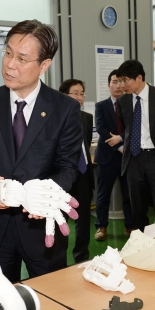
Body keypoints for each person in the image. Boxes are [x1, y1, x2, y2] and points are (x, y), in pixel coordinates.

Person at [0, 20, 82, 283]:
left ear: (44, 65)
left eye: (22, 58)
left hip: (43, 228)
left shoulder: (64, 109)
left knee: (53, 303)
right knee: (1, 307)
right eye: (7, 53)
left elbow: (68, 167)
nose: (10, 64)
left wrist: (46, 194)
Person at [116, 60, 155, 232]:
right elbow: (126, 128)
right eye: (120, 80)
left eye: (126, 80)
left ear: (139, 78)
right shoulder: (123, 102)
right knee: (137, 207)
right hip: (133, 160)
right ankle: (144, 245)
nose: (122, 85)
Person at [93, 70, 135, 241]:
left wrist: (122, 139)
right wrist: (119, 146)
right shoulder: (101, 106)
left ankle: (130, 225)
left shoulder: (131, 104)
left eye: (121, 82)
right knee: (103, 194)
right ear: (109, 84)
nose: (118, 85)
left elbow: (134, 127)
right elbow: (101, 129)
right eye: (114, 82)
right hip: (107, 156)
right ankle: (101, 226)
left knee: (128, 193)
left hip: (128, 157)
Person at [58, 79, 94, 263]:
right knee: (61, 219)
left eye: (82, 93)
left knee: (84, 219)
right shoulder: (54, 119)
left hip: (83, 174)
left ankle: (82, 257)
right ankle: (59, 259)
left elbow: (85, 146)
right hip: (63, 177)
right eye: (75, 93)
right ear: (64, 95)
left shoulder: (86, 118)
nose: (79, 97)